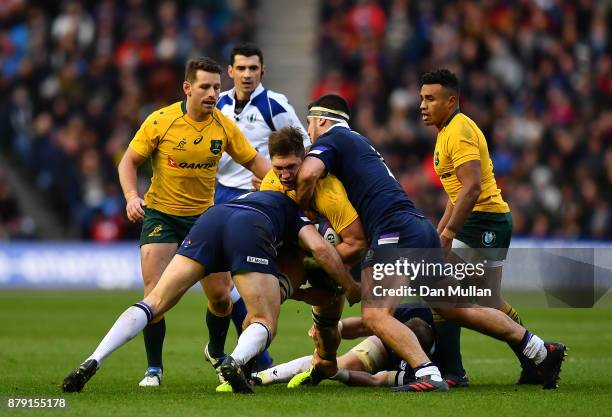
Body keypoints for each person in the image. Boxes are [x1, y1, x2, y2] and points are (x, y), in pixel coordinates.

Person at [295, 94, 567, 392]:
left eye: (309, 124)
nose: (308, 132)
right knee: (452, 307)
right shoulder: (356, 142)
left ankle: (427, 373)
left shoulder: (334, 138)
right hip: (418, 227)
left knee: (375, 315)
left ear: (321, 120)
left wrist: (305, 207)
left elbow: (308, 174)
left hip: (393, 231)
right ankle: (540, 350)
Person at [62, 190, 361, 394]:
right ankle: (235, 361)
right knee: (264, 321)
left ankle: (94, 358)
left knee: (154, 301)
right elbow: (321, 248)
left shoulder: (261, 193)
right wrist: (351, 286)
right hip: (248, 228)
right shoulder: (297, 212)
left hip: (212, 218)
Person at [117, 56, 270, 387]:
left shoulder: (224, 126)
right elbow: (128, 161)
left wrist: (282, 186)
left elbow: (257, 162)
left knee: (221, 297)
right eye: (205, 87)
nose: (213, 93)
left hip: (204, 220)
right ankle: (154, 369)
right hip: (161, 215)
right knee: (155, 294)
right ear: (187, 88)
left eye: (217, 87)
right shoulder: (161, 121)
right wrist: (132, 196)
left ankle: (215, 351)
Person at [211, 126, 367, 392]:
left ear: (304, 156)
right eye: (278, 167)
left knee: (326, 332)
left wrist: (318, 264)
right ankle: (239, 372)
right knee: (261, 310)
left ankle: (323, 366)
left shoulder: (329, 191)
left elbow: (357, 243)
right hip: (292, 258)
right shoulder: (271, 184)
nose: (284, 175)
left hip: (332, 263)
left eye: (291, 167)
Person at [419, 68, 537, 384]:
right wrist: (439, 230)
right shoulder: (446, 131)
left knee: (440, 293)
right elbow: (456, 193)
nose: (423, 105)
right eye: (421, 98)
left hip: (483, 221)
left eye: (430, 98)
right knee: (487, 300)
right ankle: (537, 357)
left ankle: (454, 372)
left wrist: (448, 233)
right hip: (484, 220)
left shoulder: (458, 131)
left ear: (451, 100)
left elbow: (471, 189)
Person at [205, 42, 309, 374]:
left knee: (247, 285)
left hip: (261, 203)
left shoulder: (274, 104)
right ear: (230, 71)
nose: (247, 74)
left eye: (254, 68)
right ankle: (228, 351)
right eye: (241, 68)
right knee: (222, 291)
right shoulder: (217, 104)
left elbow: (302, 144)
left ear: (262, 71)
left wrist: (272, 179)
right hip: (220, 198)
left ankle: (250, 358)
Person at [255, 305, 436, 388]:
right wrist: (333, 328)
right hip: (383, 344)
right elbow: (363, 325)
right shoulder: (408, 312)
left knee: (340, 370)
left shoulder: (430, 370)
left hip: (411, 368)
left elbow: (377, 380)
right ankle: (261, 377)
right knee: (340, 363)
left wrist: (337, 375)